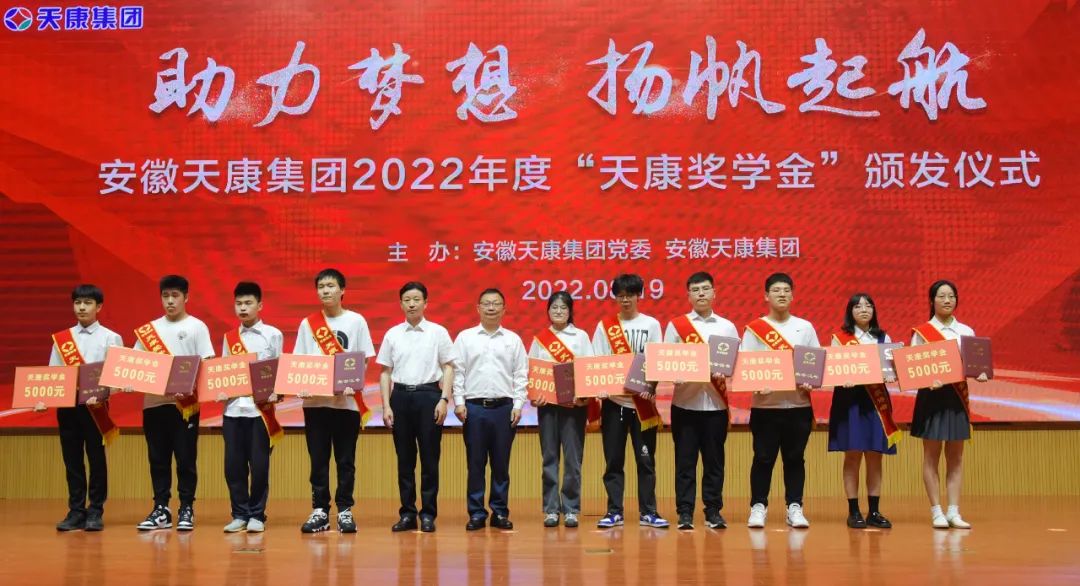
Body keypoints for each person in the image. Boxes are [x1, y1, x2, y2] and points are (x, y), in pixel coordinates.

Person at [294, 268, 375, 534]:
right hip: (315, 404)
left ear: (342, 290)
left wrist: (353, 382)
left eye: (330, 286)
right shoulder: (308, 324)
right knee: (318, 460)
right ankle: (320, 510)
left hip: (346, 405)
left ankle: (344, 510)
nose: (325, 290)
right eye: (321, 286)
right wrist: (301, 386)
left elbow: (363, 359)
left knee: (345, 460)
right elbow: (300, 362)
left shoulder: (356, 321)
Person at [135, 275, 215, 532]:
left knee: (185, 459)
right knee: (157, 459)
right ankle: (161, 508)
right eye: (165, 296)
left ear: (186, 297)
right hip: (154, 404)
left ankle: (186, 508)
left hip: (185, 407)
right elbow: (134, 365)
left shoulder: (197, 327)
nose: (170, 301)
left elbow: (207, 363)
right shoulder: (149, 330)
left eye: (175, 296)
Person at [41, 284, 123, 532]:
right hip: (67, 408)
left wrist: (102, 392)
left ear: (99, 307)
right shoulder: (62, 340)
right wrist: (43, 399)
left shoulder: (110, 337)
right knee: (72, 460)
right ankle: (76, 510)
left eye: (87, 303)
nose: (82, 307)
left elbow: (116, 376)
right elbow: (54, 375)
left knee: (96, 460)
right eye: (77, 302)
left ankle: (95, 510)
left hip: (95, 408)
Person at [741, 272, 819, 529]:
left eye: (786, 290)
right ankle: (758, 506)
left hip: (798, 405)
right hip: (766, 407)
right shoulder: (755, 329)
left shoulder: (805, 327)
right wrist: (756, 384)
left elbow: (814, 364)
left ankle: (794, 507)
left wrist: (811, 381)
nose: (782, 294)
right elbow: (745, 366)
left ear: (793, 295)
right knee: (763, 458)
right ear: (766, 296)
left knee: (795, 458)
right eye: (776, 290)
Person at [591, 273, 669, 529]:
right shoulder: (605, 327)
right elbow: (597, 361)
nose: (625, 300)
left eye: (630, 295)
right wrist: (600, 388)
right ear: (615, 297)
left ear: (639, 296)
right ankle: (614, 511)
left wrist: (651, 387)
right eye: (620, 296)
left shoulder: (652, 324)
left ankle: (649, 512)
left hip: (643, 405)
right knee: (613, 460)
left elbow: (657, 360)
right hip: (614, 404)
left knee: (645, 460)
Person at [378, 281, 456, 533]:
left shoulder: (438, 332)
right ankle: (408, 513)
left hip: (429, 396)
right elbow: (385, 372)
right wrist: (386, 405)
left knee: (430, 459)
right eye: (407, 300)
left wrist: (444, 399)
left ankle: (428, 514)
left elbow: (448, 367)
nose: (412, 304)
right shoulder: (392, 334)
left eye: (416, 299)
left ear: (425, 303)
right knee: (405, 460)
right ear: (400, 304)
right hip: (400, 397)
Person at [663, 272, 739, 530]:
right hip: (685, 404)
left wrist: (725, 372)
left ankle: (713, 511)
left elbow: (734, 363)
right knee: (685, 463)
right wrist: (674, 374)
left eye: (705, 289)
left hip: (715, 405)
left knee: (714, 462)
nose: (701, 293)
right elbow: (666, 361)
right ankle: (684, 512)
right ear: (688, 296)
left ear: (714, 293)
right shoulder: (676, 326)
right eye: (695, 290)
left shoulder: (727, 327)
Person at [910, 280, 986, 529]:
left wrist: (980, 372)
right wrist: (925, 380)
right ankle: (936, 511)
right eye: (941, 296)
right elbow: (913, 369)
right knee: (931, 456)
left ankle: (954, 511)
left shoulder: (966, 331)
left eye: (951, 296)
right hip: (931, 398)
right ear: (931, 301)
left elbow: (974, 364)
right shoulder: (922, 333)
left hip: (956, 399)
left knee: (956, 457)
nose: (947, 300)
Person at [453, 288, 528, 531]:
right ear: (478, 308)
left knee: (501, 464)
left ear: (504, 309)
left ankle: (500, 512)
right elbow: (458, 372)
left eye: (496, 303)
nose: (491, 308)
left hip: (504, 409)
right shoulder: (465, 338)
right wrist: (459, 402)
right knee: (475, 464)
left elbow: (521, 375)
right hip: (474, 408)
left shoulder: (513, 340)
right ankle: (476, 513)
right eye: (486, 303)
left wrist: (518, 405)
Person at [828, 293, 898, 529]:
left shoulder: (883, 338)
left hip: (876, 403)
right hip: (850, 401)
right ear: (850, 312)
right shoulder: (840, 339)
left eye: (869, 305)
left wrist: (892, 374)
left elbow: (891, 369)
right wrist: (842, 378)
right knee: (852, 455)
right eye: (858, 306)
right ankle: (854, 511)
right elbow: (833, 370)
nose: (864, 309)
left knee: (875, 454)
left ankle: (874, 511)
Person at [219, 282, 284, 533]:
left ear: (260, 305)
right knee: (233, 466)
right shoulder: (229, 338)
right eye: (239, 304)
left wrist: (278, 391)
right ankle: (239, 514)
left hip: (260, 411)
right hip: (233, 410)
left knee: (259, 466)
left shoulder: (273, 334)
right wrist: (219, 389)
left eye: (248, 303)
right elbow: (224, 372)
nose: (243, 308)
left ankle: (257, 514)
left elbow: (280, 370)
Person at [527, 291, 591, 528]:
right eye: (554, 307)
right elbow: (532, 371)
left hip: (573, 406)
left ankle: (571, 508)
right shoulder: (540, 339)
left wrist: (582, 395)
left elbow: (588, 369)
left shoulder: (581, 336)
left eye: (563, 308)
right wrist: (535, 396)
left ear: (570, 311)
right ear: (548, 311)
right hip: (548, 407)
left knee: (573, 459)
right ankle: (551, 509)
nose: (558, 311)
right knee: (549, 458)